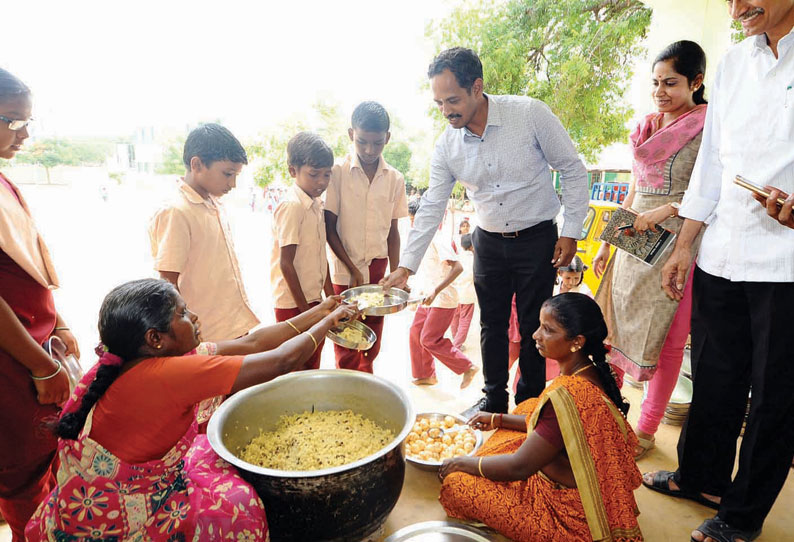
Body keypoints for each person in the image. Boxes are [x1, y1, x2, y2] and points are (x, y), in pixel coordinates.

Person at [25, 279, 357, 541]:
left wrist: (322, 310)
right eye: (182, 313)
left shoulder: (134, 359)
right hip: (121, 511)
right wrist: (328, 323)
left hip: (101, 488)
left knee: (209, 453)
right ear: (156, 338)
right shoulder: (168, 376)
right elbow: (282, 359)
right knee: (243, 505)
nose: (194, 317)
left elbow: (255, 343)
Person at [643, 3, 794, 541]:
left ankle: (741, 514)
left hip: (786, 263)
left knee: (774, 396)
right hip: (724, 248)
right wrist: (686, 244)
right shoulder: (734, 63)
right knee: (714, 374)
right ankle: (700, 477)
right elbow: (712, 162)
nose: (736, 7)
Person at [382, 47, 589, 414]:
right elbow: (431, 205)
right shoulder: (447, 145)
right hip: (488, 243)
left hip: (537, 240)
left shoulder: (529, 115)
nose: (446, 110)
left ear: (477, 87)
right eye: (439, 103)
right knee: (491, 325)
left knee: (533, 329)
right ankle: (494, 399)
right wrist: (406, 267)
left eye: (453, 100)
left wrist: (571, 230)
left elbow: (572, 170)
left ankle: (528, 405)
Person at [438, 293, 643, 542]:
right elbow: (551, 425)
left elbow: (519, 467)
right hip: (578, 479)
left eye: (548, 329)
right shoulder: (588, 373)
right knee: (531, 406)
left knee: (457, 485)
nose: (536, 335)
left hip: (568, 512)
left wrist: (461, 463)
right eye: (539, 325)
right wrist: (497, 419)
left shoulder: (569, 396)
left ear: (576, 342)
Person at [592, 40, 708, 459]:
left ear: (696, 82)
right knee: (617, 323)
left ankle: (645, 429)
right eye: (656, 83)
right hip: (634, 232)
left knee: (667, 336)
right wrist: (609, 240)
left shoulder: (708, 126)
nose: (661, 91)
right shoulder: (646, 127)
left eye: (671, 83)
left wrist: (670, 208)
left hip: (680, 236)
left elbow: (710, 189)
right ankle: (612, 414)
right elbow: (635, 188)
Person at [0, 68, 80, 542]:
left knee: (48, 460)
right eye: (12, 121)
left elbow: (23, 270)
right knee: (22, 477)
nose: (25, 133)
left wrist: (59, 323)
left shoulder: (5, 180)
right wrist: (41, 366)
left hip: (35, 346)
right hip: (14, 362)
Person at [148, 123, 259, 342]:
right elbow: (168, 282)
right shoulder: (176, 211)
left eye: (236, 175)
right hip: (206, 334)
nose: (233, 184)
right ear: (197, 164)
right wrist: (186, 335)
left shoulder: (214, 203)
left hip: (233, 324)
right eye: (227, 174)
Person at [325, 102, 408, 373]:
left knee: (373, 331)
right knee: (345, 332)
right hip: (344, 267)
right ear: (351, 134)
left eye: (377, 143)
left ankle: (366, 377)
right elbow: (329, 227)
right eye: (362, 142)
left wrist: (397, 274)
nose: (370, 150)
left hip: (378, 268)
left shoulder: (394, 178)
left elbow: (393, 232)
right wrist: (351, 268)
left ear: (387, 138)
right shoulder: (336, 172)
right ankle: (347, 382)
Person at [271, 132, 335, 370]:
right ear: (292, 171)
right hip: (292, 304)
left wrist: (330, 297)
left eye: (326, 174)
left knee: (312, 360)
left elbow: (321, 256)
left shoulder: (316, 204)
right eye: (313, 174)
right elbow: (286, 263)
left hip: (313, 299)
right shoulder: (292, 205)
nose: (321, 181)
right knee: (295, 366)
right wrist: (304, 311)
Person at [408, 200, 478, 388]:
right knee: (415, 332)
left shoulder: (437, 238)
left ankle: (467, 367)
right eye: (412, 220)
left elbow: (458, 267)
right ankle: (426, 375)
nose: (414, 224)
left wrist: (436, 290)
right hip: (428, 298)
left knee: (429, 339)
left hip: (443, 298)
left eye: (416, 220)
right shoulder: (421, 239)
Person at [449, 233, 475, 350]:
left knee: (455, 317)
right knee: (465, 320)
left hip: (455, 292)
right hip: (467, 294)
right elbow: (472, 275)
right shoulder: (474, 259)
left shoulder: (457, 257)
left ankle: (456, 340)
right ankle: (457, 344)